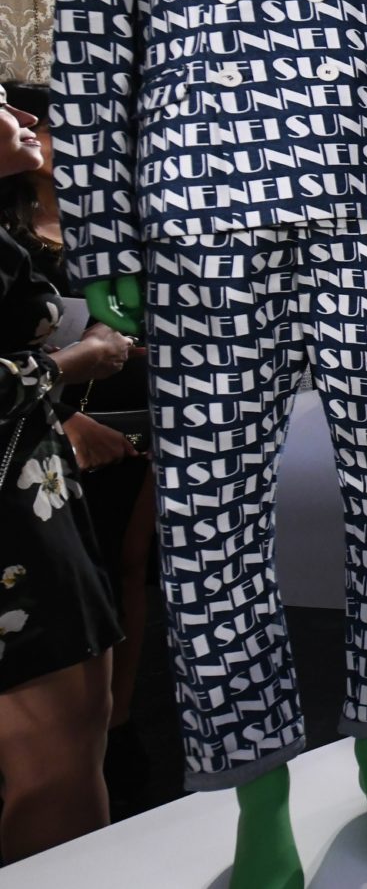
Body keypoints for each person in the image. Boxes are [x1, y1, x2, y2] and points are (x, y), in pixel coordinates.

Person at [0, 82, 155, 805]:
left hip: (121, 419)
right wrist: (68, 391)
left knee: (127, 567)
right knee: (50, 754)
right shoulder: (15, 230)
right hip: (43, 449)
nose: (33, 125)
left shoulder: (114, 224)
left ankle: (121, 720)